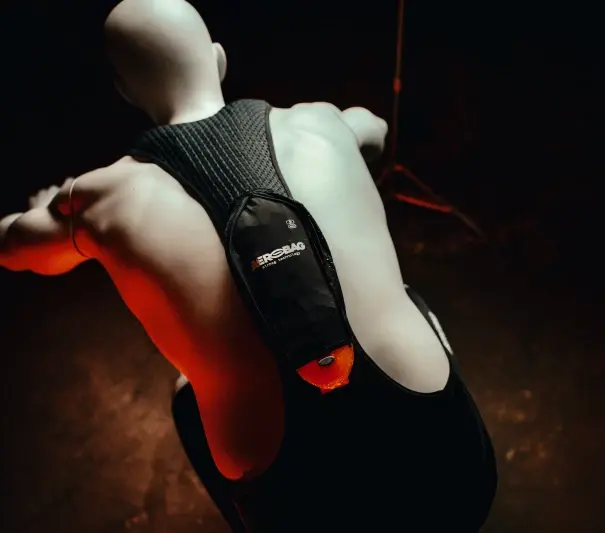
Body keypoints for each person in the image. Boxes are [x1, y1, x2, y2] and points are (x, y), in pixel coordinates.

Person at [0, 0, 497, 531]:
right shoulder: (316, 123)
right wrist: (343, 131)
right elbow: (373, 128)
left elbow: (13, 248)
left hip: (304, 514)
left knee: (190, 394)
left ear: (124, 91)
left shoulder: (100, 201)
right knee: (405, 302)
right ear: (218, 59)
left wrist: (51, 207)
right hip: (456, 477)